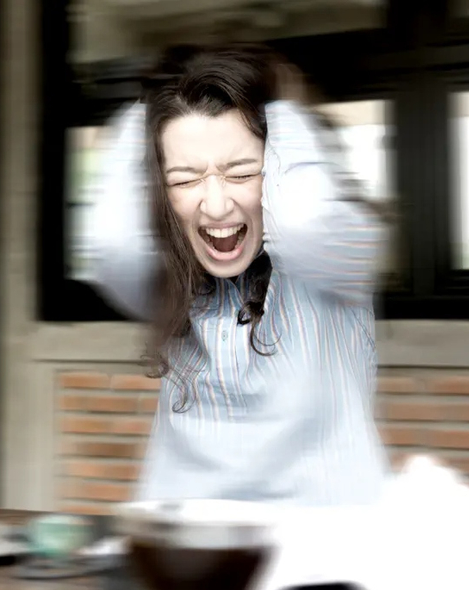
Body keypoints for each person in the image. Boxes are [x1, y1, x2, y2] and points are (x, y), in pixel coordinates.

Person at [87, 44, 390, 507]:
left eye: (242, 172)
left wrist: (282, 103)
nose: (215, 205)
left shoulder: (340, 259)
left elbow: (305, 222)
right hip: (193, 554)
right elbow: (109, 244)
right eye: (185, 180)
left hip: (325, 552)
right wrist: (146, 109)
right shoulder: (168, 279)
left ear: (280, 168)